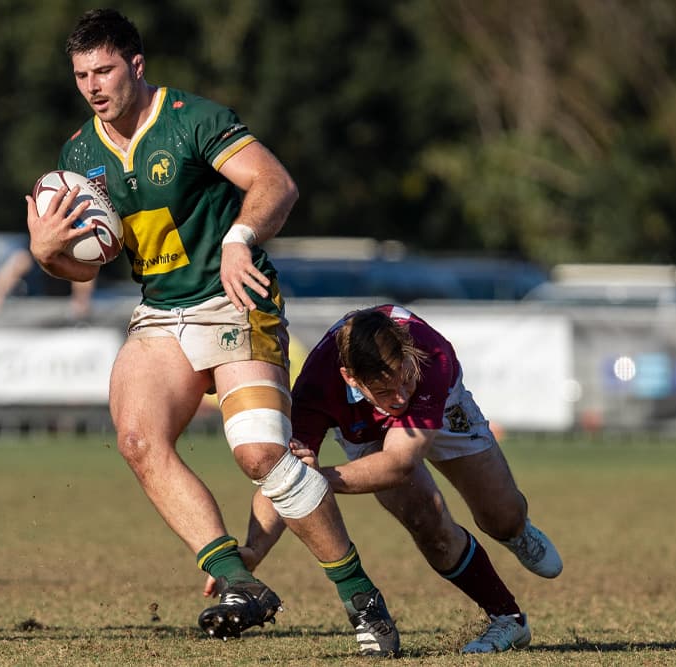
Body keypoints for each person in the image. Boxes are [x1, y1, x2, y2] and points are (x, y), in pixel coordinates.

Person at [25, 9, 399, 656]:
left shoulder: (195, 119)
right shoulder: (80, 155)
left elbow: (275, 183)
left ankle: (362, 597)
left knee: (259, 455)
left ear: (136, 66)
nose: (92, 85)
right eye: (82, 74)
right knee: (139, 439)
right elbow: (95, 255)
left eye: (104, 70)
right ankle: (236, 579)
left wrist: (239, 238)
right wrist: (46, 252)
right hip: (161, 313)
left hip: (234, 302)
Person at [206, 304, 563, 654]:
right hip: (366, 432)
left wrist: (315, 480)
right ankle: (508, 619)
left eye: (403, 380)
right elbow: (279, 475)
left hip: (439, 407)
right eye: (385, 390)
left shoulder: (428, 355)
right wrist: (255, 549)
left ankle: (516, 533)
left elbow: (398, 463)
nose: (400, 397)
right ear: (350, 378)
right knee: (427, 521)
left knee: (501, 516)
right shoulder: (317, 387)